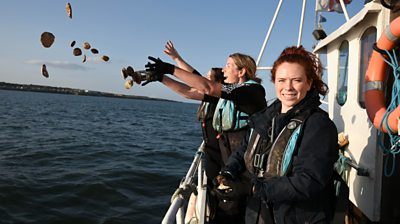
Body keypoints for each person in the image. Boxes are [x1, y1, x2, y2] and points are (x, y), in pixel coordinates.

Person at [216, 45, 338, 224]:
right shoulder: (265, 117)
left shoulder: (319, 125)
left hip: (297, 216)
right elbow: (244, 149)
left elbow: (308, 181)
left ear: (309, 83)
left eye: (296, 80)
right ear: (274, 82)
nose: (288, 87)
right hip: (259, 211)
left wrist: (252, 189)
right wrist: (228, 171)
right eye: (281, 80)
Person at [145, 52, 267, 224]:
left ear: (241, 72)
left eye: (228, 65)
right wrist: (162, 78)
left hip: (245, 165)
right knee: (223, 206)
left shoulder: (252, 91)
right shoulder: (228, 93)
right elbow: (189, 92)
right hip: (228, 159)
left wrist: (170, 68)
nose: (224, 70)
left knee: (239, 210)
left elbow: (208, 87)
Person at [162, 40, 225, 181]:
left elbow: (188, 91)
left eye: (208, 78)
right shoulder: (210, 94)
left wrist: (164, 76)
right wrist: (176, 58)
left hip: (221, 155)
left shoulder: (216, 97)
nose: (204, 79)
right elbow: (194, 77)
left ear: (218, 83)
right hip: (211, 152)